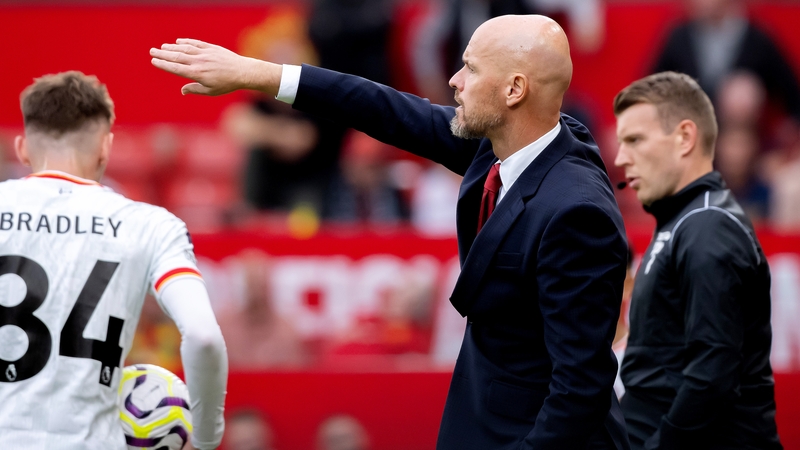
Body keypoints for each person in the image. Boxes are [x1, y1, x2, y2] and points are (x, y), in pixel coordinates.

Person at [151, 14, 629, 449]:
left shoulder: (576, 214)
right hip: (483, 420)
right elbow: (382, 107)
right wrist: (257, 75)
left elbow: (580, 390)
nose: (454, 81)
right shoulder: (511, 142)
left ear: (514, 90)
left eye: (471, 69)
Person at [0, 72, 228, 450]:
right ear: (106, 147)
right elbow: (204, 337)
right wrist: (206, 438)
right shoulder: (152, 225)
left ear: (23, 149)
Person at [613, 71, 781, 450]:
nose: (621, 157)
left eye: (635, 140)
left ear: (685, 137)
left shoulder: (707, 228)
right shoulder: (685, 220)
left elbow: (711, 378)